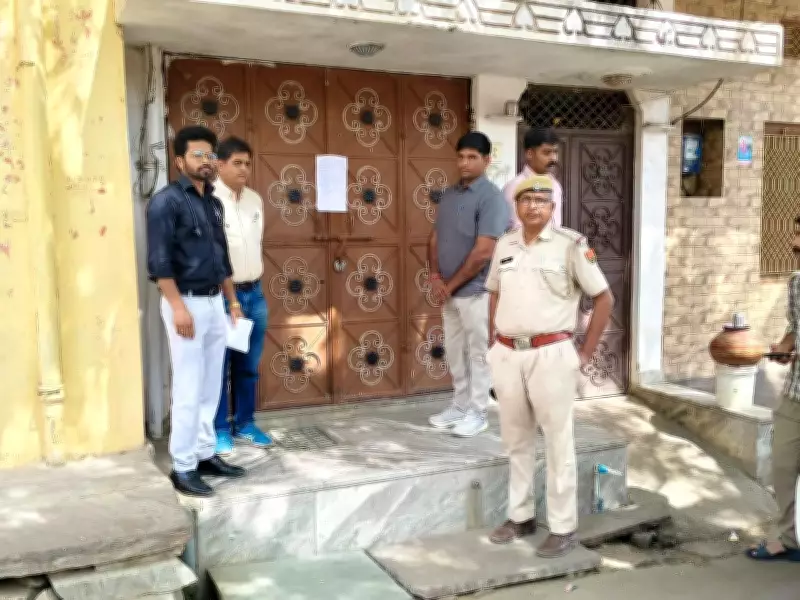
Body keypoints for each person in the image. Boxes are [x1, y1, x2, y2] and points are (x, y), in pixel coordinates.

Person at [485, 175, 613, 558]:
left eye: (541, 201)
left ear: (552, 208)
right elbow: (494, 293)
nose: (533, 207)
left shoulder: (570, 245)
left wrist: (585, 353)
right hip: (508, 353)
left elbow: (603, 298)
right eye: (527, 200)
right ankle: (520, 516)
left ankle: (562, 526)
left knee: (558, 442)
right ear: (517, 206)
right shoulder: (505, 244)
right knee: (516, 439)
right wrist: (494, 340)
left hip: (551, 353)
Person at [147, 125, 247, 497]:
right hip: (184, 302)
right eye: (197, 155)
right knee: (189, 386)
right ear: (179, 161)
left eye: (210, 155)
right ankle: (183, 466)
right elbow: (159, 262)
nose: (205, 161)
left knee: (210, 384)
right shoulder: (166, 202)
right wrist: (177, 307)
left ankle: (204, 453)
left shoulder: (213, 203)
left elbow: (222, 259)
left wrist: (232, 302)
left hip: (214, 303)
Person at [427, 131, 509, 437]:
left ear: (487, 160)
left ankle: (478, 412)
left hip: (476, 291)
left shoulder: (492, 198)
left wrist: (449, 286)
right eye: (460, 157)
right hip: (449, 291)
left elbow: (483, 252)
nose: (464, 163)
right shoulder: (449, 195)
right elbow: (435, 238)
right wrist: (435, 277)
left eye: (472, 157)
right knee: (453, 350)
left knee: (478, 353)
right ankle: (459, 405)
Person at [213, 137, 273, 455]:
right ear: (219, 164)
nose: (244, 169)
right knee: (220, 366)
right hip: (225, 296)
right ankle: (220, 429)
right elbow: (216, 255)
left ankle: (245, 423)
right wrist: (232, 299)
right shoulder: (209, 200)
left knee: (248, 365)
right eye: (237, 163)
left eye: (247, 163)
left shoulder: (254, 200)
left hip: (255, 293)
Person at [747, 215, 800, 562]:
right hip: (795, 394)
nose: (794, 245)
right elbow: (796, 326)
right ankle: (788, 538)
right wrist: (784, 348)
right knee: (782, 467)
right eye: (795, 235)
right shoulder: (797, 283)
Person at [504, 128, 563, 231]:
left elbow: (556, 224)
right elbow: (515, 229)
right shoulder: (514, 187)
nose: (553, 158)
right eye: (547, 153)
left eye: (555, 152)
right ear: (530, 154)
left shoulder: (555, 185)